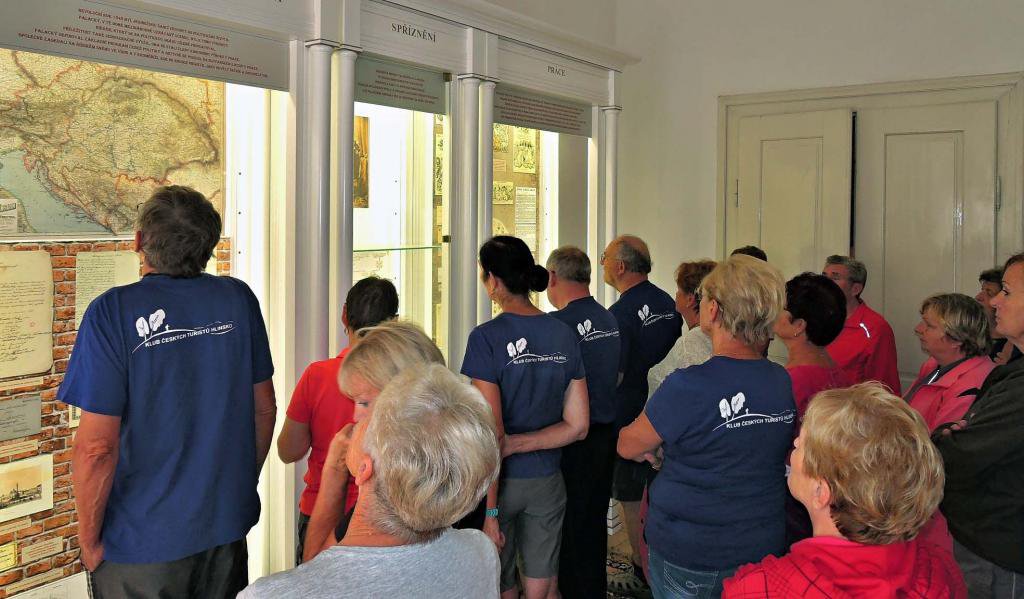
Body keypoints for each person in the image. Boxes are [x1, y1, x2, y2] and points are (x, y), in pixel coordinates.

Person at [63, 186, 275, 597]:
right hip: (224, 532)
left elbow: (96, 449)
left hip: (141, 547)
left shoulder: (112, 312)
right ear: (209, 244)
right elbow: (264, 410)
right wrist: (233, 487)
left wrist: (88, 542)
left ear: (139, 241)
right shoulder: (238, 299)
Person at [240, 365, 502, 598]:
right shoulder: (480, 552)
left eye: (371, 415)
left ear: (365, 469)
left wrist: (333, 470)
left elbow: (318, 576)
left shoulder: (267, 595)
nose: (356, 419)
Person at [618, 254, 795, 599]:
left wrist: (655, 449)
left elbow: (628, 445)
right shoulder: (780, 380)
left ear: (712, 310)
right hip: (761, 543)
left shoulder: (688, 385)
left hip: (692, 551)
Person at [722, 383, 966, 599]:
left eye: (803, 443)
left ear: (821, 492)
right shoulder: (941, 569)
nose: (795, 442)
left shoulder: (758, 589)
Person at [462, 235, 588, 599]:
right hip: (548, 478)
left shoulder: (485, 338)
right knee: (542, 586)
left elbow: (493, 434)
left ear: (494, 281)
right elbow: (578, 425)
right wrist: (525, 443)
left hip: (500, 484)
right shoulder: (562, 333)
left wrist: (490, 512)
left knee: (502, 585)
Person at [277, 276, 398, 564]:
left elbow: (288, 450)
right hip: (382, 515)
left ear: (344, 315)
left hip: (320, 511)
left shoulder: (317, 376)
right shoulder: (402, 380)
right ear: (394, 323)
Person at [302, 321, 445, 562]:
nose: (355, 417)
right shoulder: (448, 482)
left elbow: (315, 569)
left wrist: (335, 470)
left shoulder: (382, 506)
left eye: (364, 403)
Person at [934, 253, 1024, 597]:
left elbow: (960, 455)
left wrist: (947, 438)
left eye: (1007, 292)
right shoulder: (1011, 374)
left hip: (1001, 553)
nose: (995, 301)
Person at [602, 234, 681, 588]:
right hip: (667, 413)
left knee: (630, 496)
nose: (602, 263)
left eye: (605, 257)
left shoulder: (619, 314)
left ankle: (640, 568)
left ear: (620, 266)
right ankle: (658, 561)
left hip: (632, 419)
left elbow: (616, 376)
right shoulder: (667, 302)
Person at [545, 246, 620, 598]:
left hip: (572, 439)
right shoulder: (608, 319)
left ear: (552, 277)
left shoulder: (556, 326)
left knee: (569, 525)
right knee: (593, 520)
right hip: (605, 435)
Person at [903, 293, 994, 555]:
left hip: (944, 506)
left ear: (956, 339)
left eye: (929, 325)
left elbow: (940, 446)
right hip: (917, 487)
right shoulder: (934, 365)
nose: (918, 329)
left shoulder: (973, 382)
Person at [775, 273, 850, 546]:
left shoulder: (791, 382)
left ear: (798, 325)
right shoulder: (836, 372)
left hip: (795, 496)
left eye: (781, 307)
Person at [822, 255, 901, 394]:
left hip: (850, 405)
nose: (824, 284)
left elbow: (884, 387)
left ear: (855, 289)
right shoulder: (816, 318)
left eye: (835, 278)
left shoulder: (876, 328)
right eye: (823, 277)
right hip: (816, 402)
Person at [775, 273, 849, 419]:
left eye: (781, 307)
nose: (773, 311)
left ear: (799, 325)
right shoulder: (840, 376)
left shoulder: (788, 384)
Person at [648, 260, 717, 395]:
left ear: (690, 299)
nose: (676, 294)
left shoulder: (690, 343)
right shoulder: (718, 333)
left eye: (679, 290)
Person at [977, 267, 1020, 364]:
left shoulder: (1015, 349)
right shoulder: (971, 338)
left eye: (989, 293)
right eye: (982, 290)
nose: (978, 297)